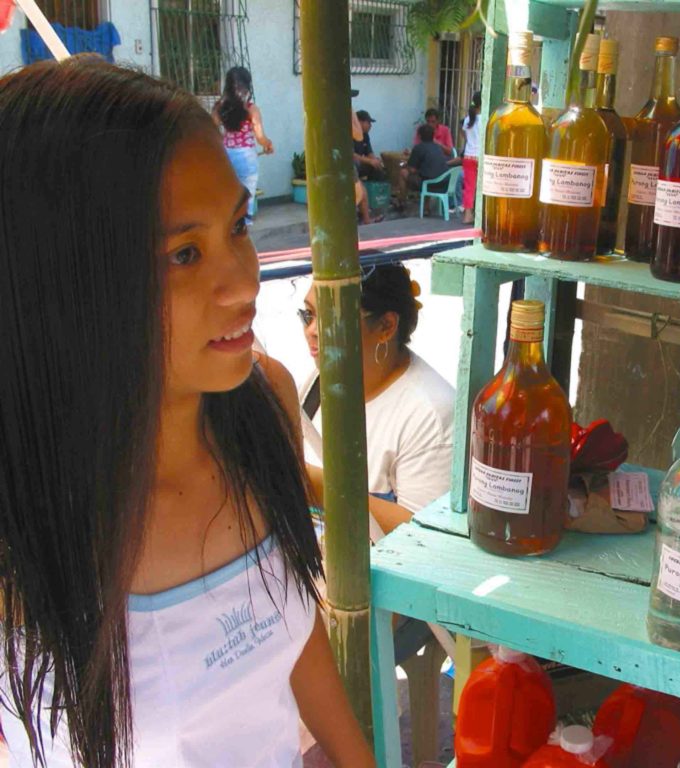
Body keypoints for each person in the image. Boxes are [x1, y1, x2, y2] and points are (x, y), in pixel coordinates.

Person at [0, 59, 374, 767]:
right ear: (65, 287)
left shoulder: (261, 405)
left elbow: (288, 625)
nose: (241, 281)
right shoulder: (24, 524)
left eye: (237, 226)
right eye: (184, 253)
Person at [297, 265, 454, 534]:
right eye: (308, 315)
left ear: (386, 326)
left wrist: (314, 484)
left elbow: (425, 537)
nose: (312, 330)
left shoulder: (431, 415)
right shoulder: (322, 379)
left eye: (331, 318)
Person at [213, 66, 273, 225]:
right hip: (247, 157)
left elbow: (211, 131)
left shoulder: (219, 107)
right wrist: (268, 144)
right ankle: (244, 230)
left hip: (226, 156)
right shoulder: (251, 109)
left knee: (228, 198)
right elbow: (260, 137)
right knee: (246, 200)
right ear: (247, 86)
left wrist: (223, 141)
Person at [397, 124, 456, 212]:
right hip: (444, 183)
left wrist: (407, 165)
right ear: (433, 136)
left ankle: (401, 202)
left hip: (430, 185)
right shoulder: (438, 148)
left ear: (419, 136)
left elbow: (412, 169)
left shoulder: (418, 148)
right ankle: (426, 207)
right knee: (427, 174)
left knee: (403, 173)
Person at [460, 92, 482, 225]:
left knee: (469, 187)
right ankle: (479, 214)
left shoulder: (469, 119)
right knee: (482, 187)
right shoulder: (485, 118)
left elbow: (465, 134)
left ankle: (467, 215)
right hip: (480, 157)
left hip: (468, 156)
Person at [353, 109, 388, 182]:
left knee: (377, 167)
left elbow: (369, 153)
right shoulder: (350, 134)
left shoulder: (365, 135)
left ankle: (375, 190)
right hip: (352, 165)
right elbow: (351, 155)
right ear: (360, 122)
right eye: (368, 123)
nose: (370, 125)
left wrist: (375, 160)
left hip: (361, 164)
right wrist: (369, 161)